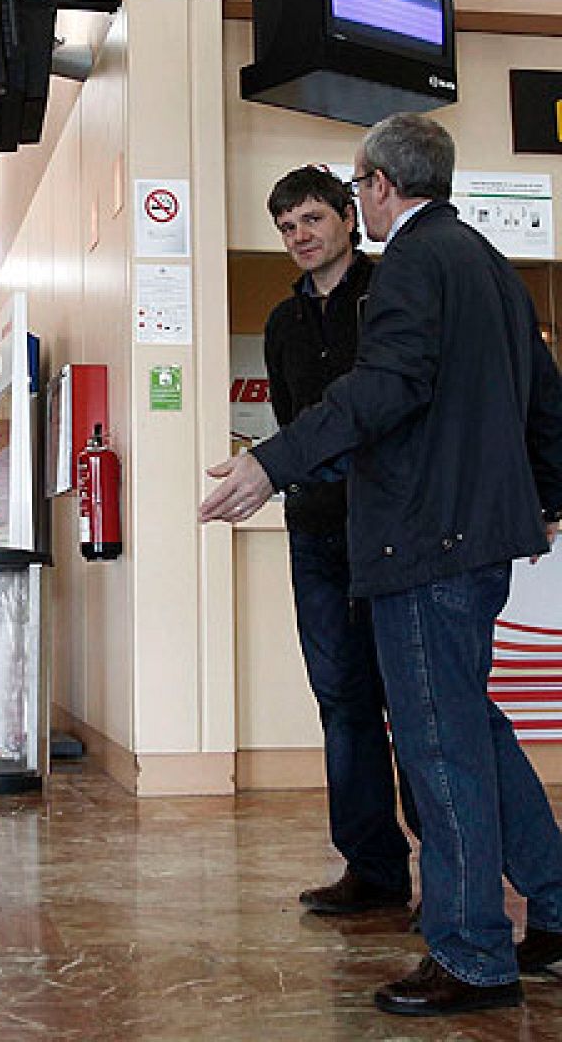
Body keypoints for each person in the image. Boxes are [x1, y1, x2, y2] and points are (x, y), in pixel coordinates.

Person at [201, 112, 562, 1017]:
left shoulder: (408, 263)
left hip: (423, 544)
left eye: (357, 188)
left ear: (376, 185)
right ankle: (556, 908)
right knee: (472, 730)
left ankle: (474, 954)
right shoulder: (490, 267)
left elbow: (384, 387)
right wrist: (545, 502)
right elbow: (547, 405)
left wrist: (269, 461)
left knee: (442, 748)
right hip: (475, 541)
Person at [261, 165, 418, 917]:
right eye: (288, 226)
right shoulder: (281, 324)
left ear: (348, 217)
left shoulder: (389, 295)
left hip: (391, 531)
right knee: (342, 703)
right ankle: (372, 868)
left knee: (414, 700)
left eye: (312, 219)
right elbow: (295, 426)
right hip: (316, 534)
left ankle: (449, 868)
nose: (301, 236)